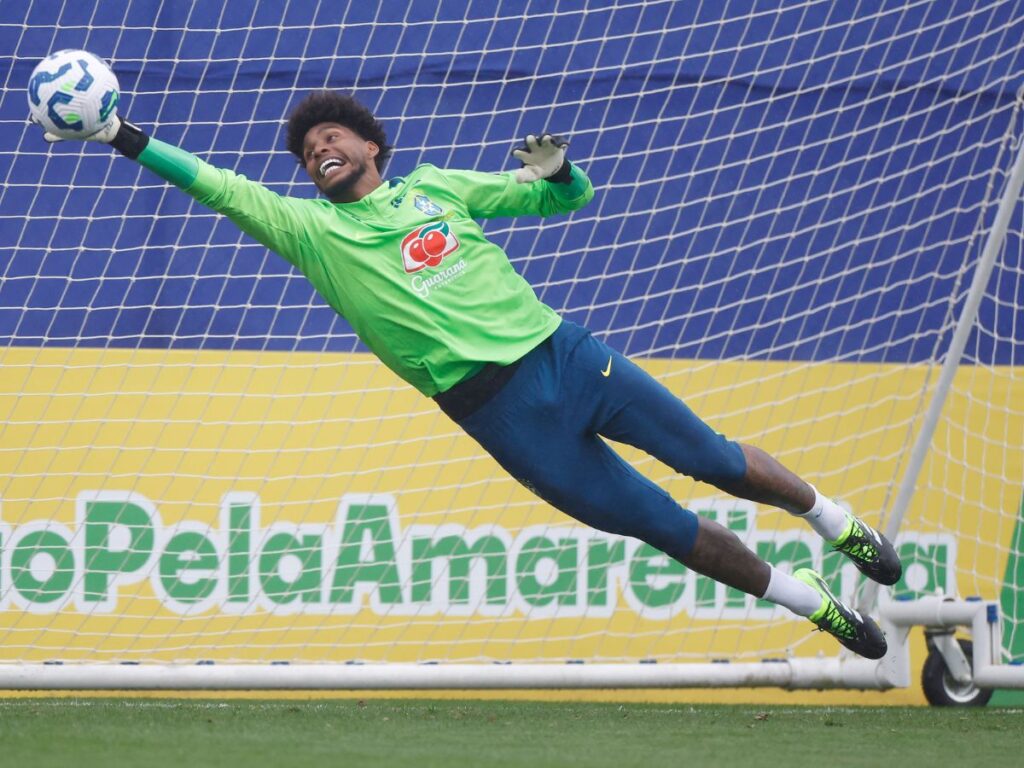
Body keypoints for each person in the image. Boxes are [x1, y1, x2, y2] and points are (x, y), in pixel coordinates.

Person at [34, 90, 901, 659]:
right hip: (497, 414)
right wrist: (118, 133)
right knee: (658, 525)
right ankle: (808, 601)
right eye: (305, 151)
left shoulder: (440, 190)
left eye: (331, 137)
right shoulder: (307, 232)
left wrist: (560, 171)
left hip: (565, 353)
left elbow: (562, 201)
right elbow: (215, 185)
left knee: (710, 459)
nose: (317, 151)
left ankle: (832, 519)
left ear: (372, 146)